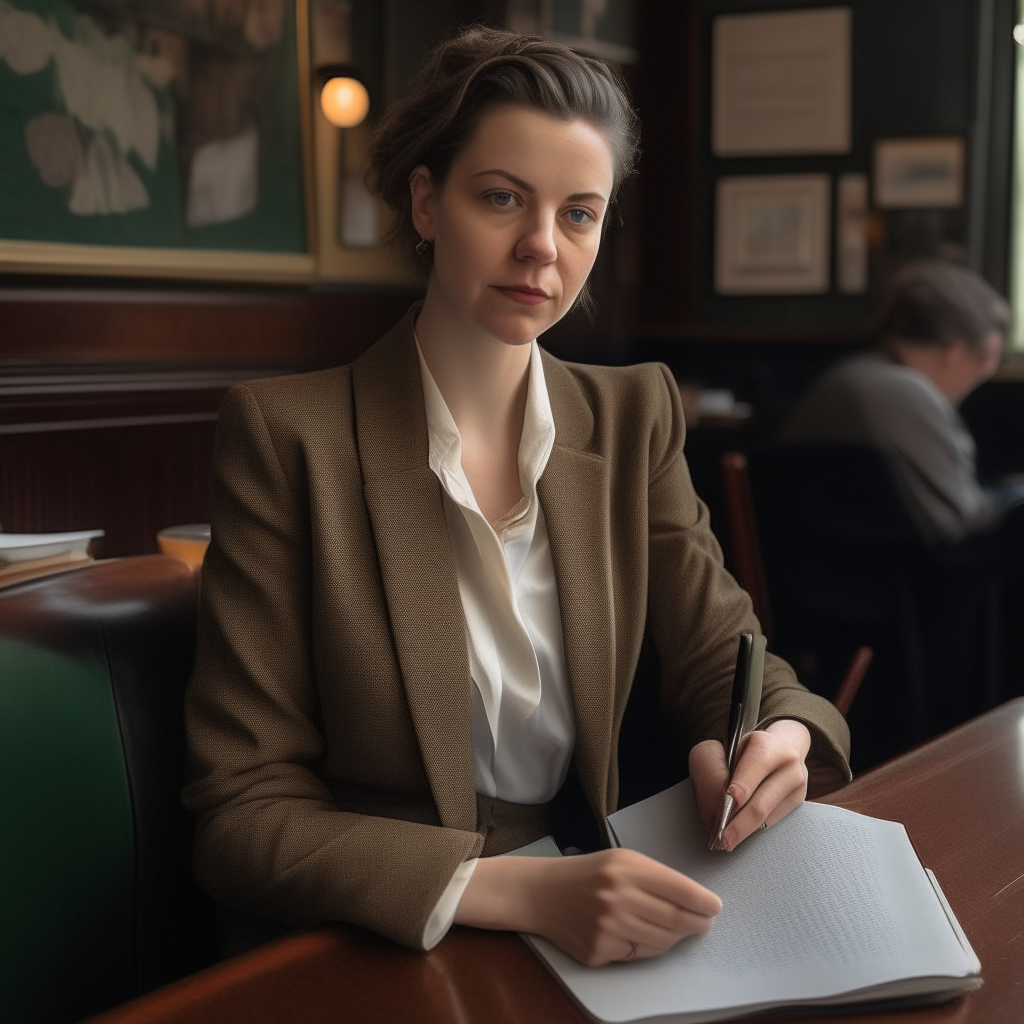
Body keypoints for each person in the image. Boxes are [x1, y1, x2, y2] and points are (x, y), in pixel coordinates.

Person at [183, 26, 850, 969]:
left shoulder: (631, 416)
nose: (542, 247)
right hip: (373, 942)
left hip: (595, 910)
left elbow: (725, 661)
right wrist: (515, 887)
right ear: (426, 202)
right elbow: (243, 815)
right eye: (502, 198)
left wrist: (778, 735)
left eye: (580, 214)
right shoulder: (289, 437)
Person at [781, 261, 1023, 543]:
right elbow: (962, 526)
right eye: (978, 374)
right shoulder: (908, 394)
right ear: (956, 353)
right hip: (901, 579)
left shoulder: (848, 377)